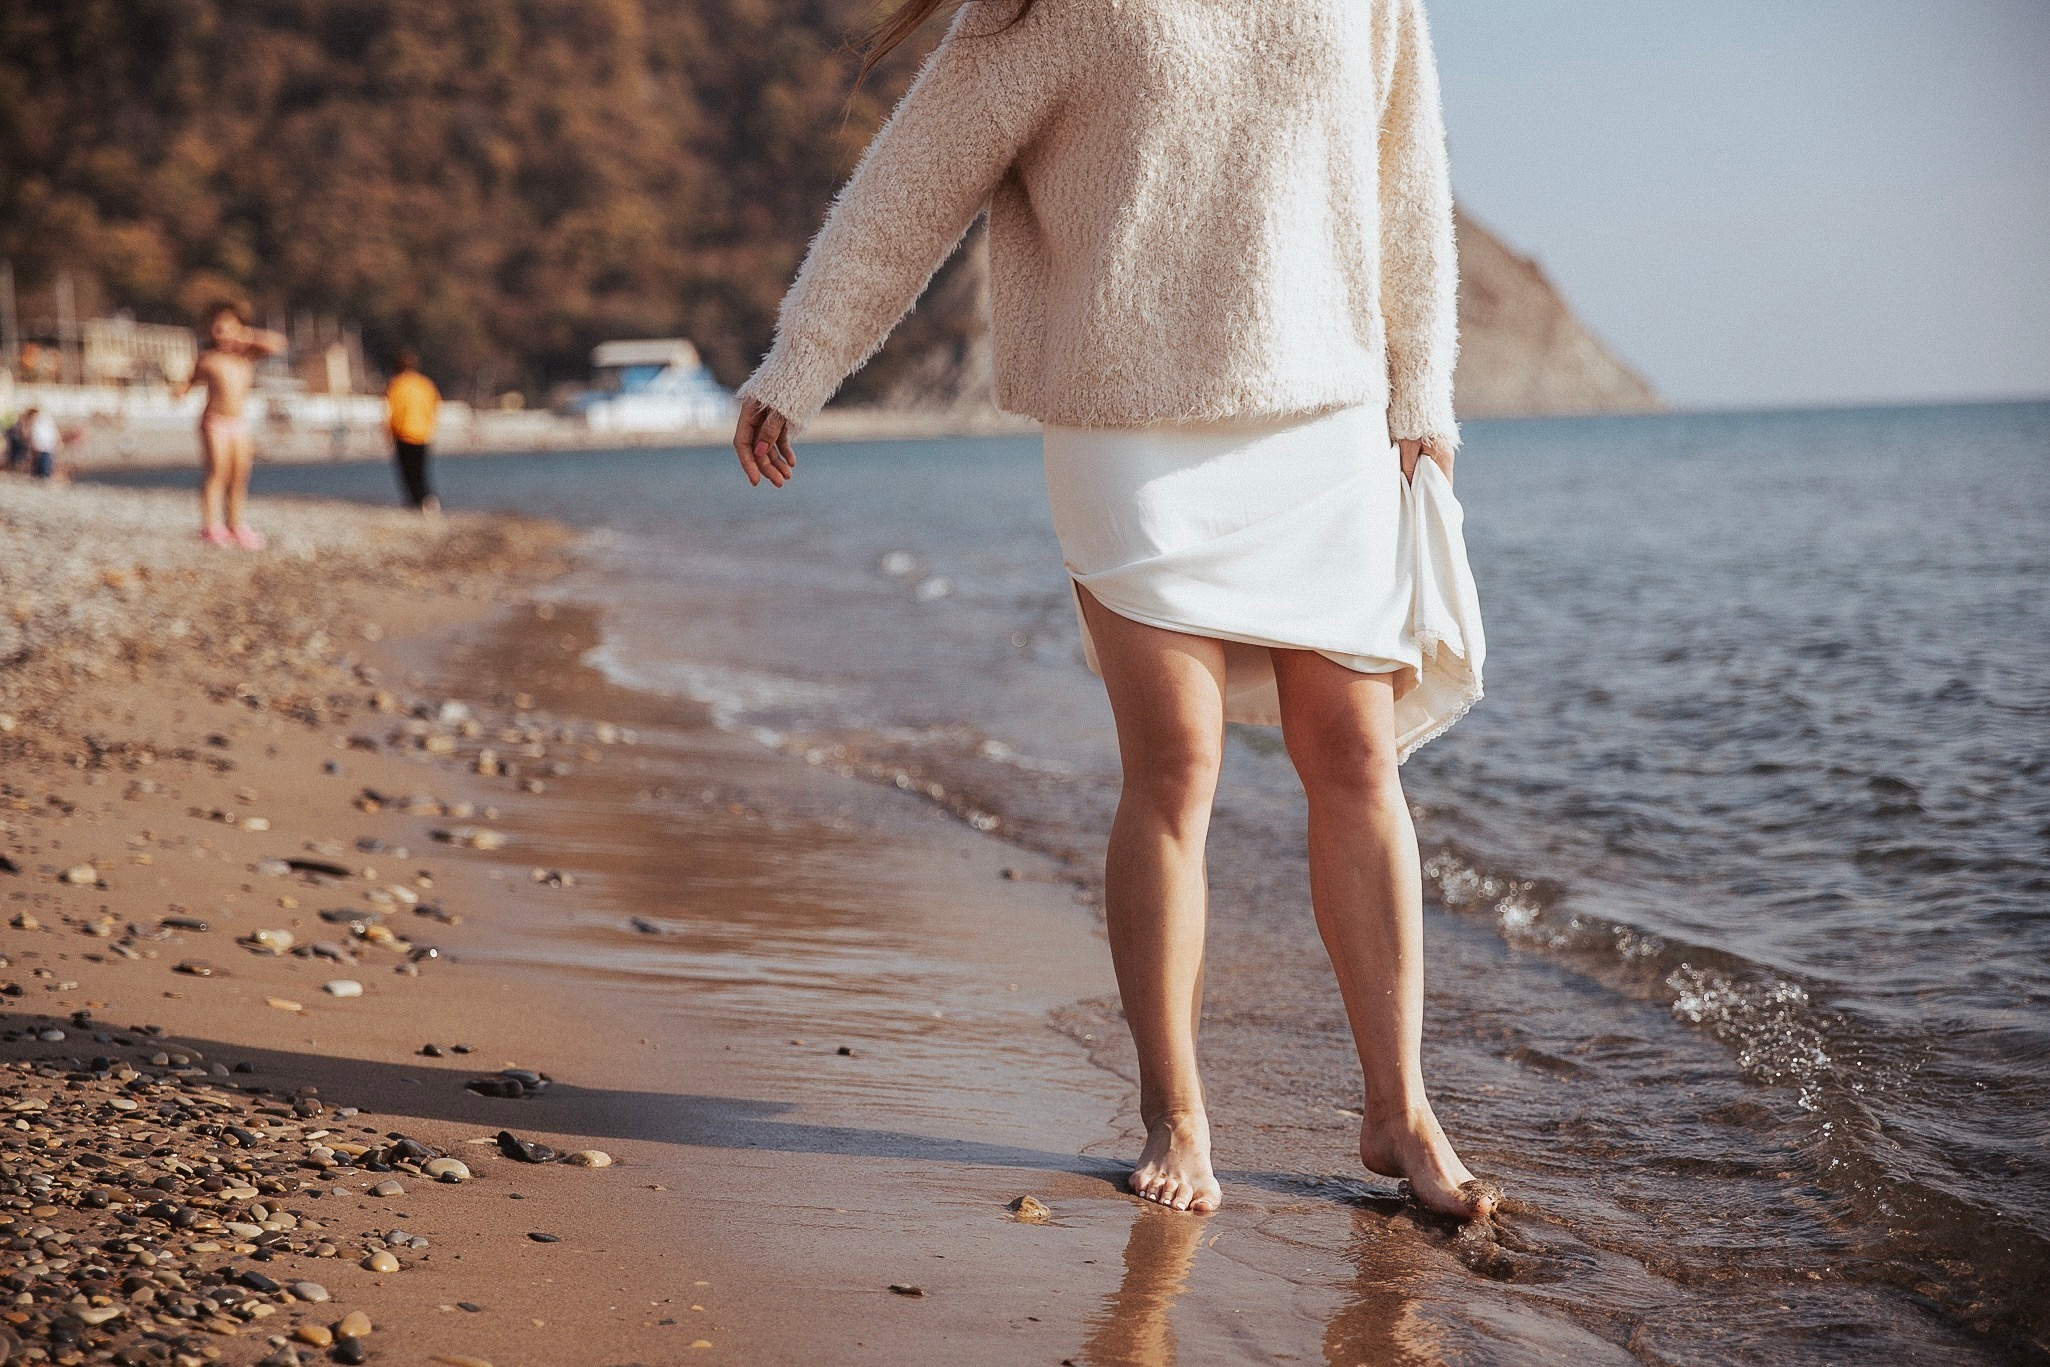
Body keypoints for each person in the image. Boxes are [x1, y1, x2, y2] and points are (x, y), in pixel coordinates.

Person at [733, 0, 1496, 1220]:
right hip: (1123, 416)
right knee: (1175, 763)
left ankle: (1398, 1107)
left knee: (1352, 751)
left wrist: (1425, 394)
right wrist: (802, 362)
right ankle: (1174, 1107)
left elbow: (1406, 170)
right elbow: (915, 178)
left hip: (1325, 411)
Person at [176, 302, 285, 548]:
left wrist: (248, 336)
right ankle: (210, 526)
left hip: (239, 422)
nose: (222, 334)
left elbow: (278, 344)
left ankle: (236, 525)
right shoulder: (208, 360)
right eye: (217, 329)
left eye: (227, 328)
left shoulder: (247, 355)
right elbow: (188, 383)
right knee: (217, 472)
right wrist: (178, 391)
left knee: (239, 475)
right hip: (214, 421)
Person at [385, 349, 442, 514]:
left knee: (408, 471)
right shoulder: (425, 384)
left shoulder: (395, 385)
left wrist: (389, 432)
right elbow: (436, 404)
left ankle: (415, 503)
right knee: (421, 469)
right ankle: (427, 500)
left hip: (403, 433)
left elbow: (390, 411)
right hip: (423, 433)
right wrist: (429, 423)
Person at [24, 406, 60, 480]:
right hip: (46, 442)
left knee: (43, 460)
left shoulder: (38, 419)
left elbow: (34, 432)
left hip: (42, 442)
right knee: (44, 459)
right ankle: (42, 476)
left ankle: (43, 476)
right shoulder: (46, 418)